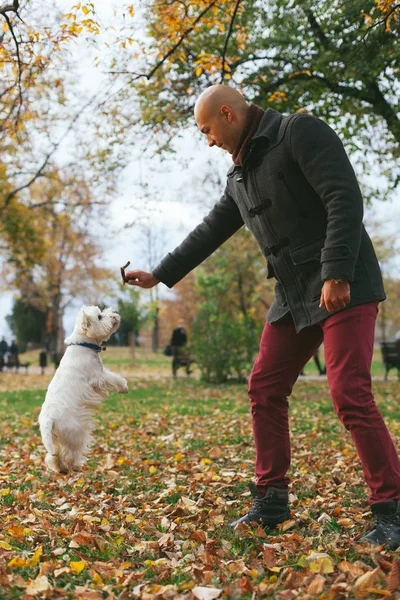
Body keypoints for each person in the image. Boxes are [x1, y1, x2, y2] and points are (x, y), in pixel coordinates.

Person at [123, 85, 400, 548]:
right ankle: (272, 501)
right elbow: (210, 229)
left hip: (342, 281)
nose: (208, 140)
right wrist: (161, 274)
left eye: (207, 129)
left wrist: (335, 272)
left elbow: (344, 198)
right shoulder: (240, 175)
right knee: (265, 387)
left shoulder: (298, 132)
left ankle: (391, 509)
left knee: (349, 390)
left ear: (228, 114)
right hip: (293, 295)